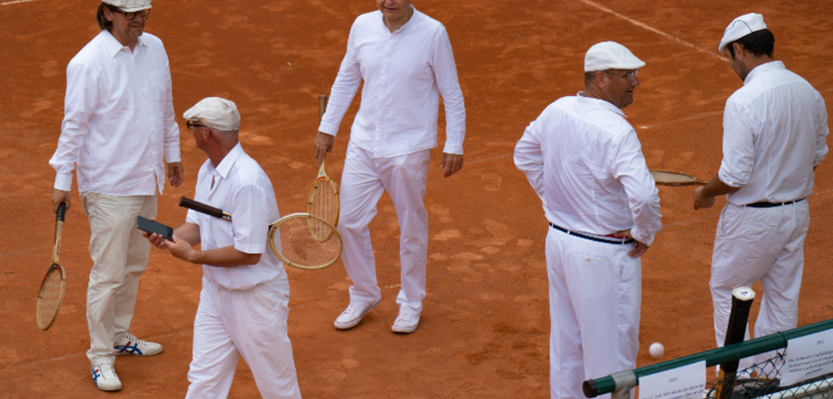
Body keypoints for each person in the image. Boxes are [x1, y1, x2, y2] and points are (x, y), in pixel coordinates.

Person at [48, 0, 183, 391]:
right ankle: (101, 356)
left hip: (146, 181)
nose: (140, 20)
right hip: (108, 188)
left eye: (145, 13)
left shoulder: (155, 48)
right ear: (108, 13)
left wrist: (172, 153)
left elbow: (165, 107)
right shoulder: (87, 63)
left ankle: (120, 335)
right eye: (131, 14)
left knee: (135, 264)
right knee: (107, 275)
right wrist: (62, 180)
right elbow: (74, 125)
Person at [514, 42, 662, 398]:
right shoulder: (617, 131)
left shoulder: (557, 109)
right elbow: (644, 196)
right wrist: (644, 232)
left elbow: (525, 154)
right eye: (627, 75)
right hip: (604, 255)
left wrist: (555, 198)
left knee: (567, 347)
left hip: (559, 243)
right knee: (612, 360)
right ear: (601, 79)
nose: (636, 82)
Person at [314, 0, 465, 334]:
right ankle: (364, 293)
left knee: (411, 226)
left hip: (408, 149)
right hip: (363, 143)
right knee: (349, 221)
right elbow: (346, 78)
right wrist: (328, 128)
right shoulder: (362, 25)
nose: (389, 2)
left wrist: (454, 143)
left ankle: (411, 303)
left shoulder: (433, 33)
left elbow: (451, 92)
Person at [693, 13, 828, 372]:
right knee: (782, 299)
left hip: (752, 221)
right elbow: (817, 153)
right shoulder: (809, 91)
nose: (730, 65)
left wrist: (706, 192)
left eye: (729, 56)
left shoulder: (743, 100)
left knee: (727, 290)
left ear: (740, 49)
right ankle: (774, 379)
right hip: (795, 213)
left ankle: (738, 380)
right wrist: (786, 180)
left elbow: (735, 174)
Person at [145, 97, 302, 398]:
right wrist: (167, 237)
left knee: (278, 388)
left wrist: (193, 256)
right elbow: (197, 226)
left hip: (255, 301)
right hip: (215, 295)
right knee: (204, 382)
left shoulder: (247, 182)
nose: (189, 131)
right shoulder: (209, 170)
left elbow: (249, 253)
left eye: (191, 125)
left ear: (206, 133)